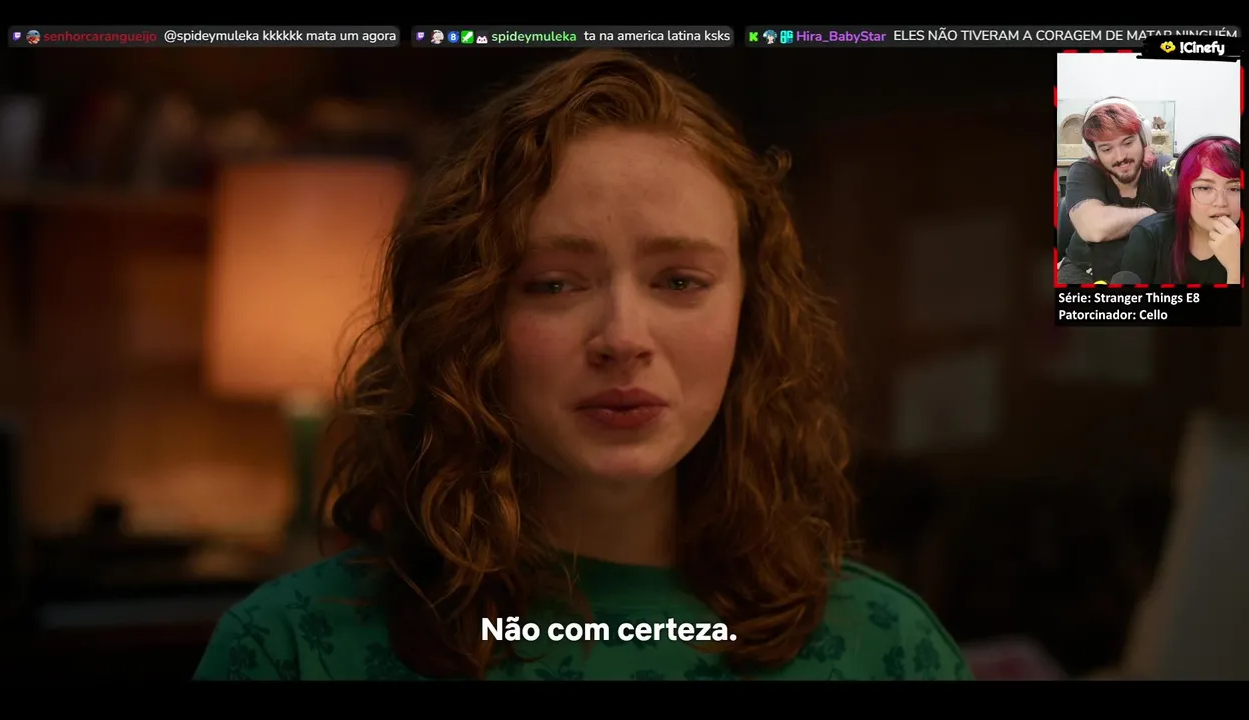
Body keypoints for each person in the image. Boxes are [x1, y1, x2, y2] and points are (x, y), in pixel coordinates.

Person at [194, 49, 972, 681]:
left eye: (679, 282)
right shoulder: (293, 650)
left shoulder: (885, 648)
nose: (623, 338)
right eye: (555, 284)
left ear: (751, 312)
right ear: (467, 317)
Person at [1060, 97, 1176, 283]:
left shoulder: (1165, 168)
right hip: (1084, 269)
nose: (1120, 157)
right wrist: (1149, 215)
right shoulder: (1083, 171)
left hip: (1148, 271)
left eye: (1128, 143)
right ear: (1094, 153)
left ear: (1143, 139)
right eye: (1106, 149)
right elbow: (1095, 228)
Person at [1121, 136, 1241, 285]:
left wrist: (1235, 268)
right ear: (1181, 192)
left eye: (1234, 189)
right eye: (1204, 188)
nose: (1221, 203)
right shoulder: (1150, 236)